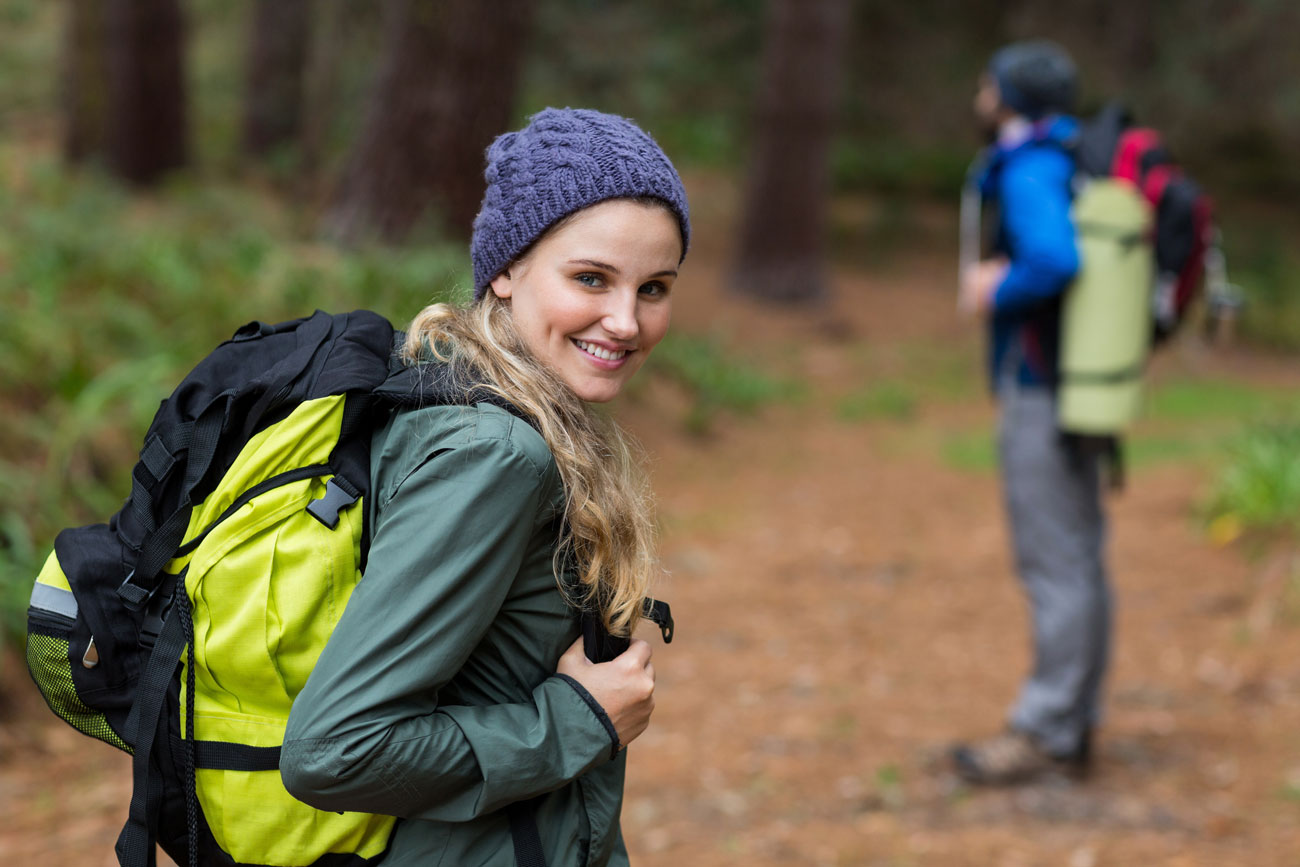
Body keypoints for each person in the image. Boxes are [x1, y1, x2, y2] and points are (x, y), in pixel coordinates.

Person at [279, 107, 690, 865]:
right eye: (591, 278)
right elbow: (333, 747)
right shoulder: (495, 452)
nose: (626, 320)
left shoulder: (483, 404)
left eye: (655, 287)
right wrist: (580, 719)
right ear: (506, 268)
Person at [952, 41, 1111, 785]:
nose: (981, 93)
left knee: (1054, 560)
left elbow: (1052, 259)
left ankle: (1047, 730)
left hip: (1039, 385)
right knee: (1079, 554)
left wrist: (993, 287)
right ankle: (1071, 721)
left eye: (990, 83)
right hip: (1081, 382)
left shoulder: (1028, 166)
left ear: (1010, 96)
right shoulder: (1071, 156)